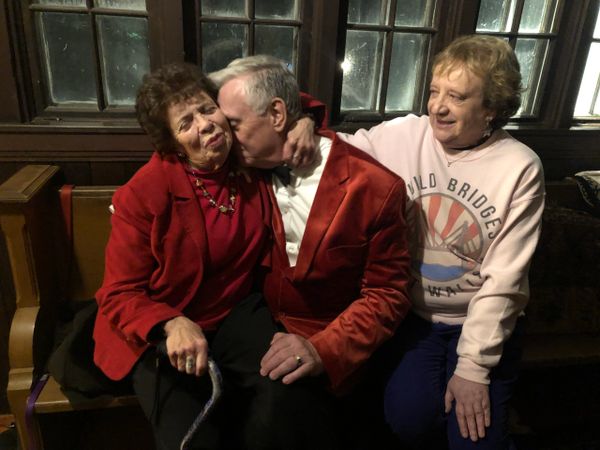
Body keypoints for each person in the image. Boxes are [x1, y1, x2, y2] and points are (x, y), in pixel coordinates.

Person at [293, 35, 546, 449]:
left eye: (457, 97)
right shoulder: (403, 135)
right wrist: (307, 121)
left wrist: (473, 369)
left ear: (492, 108)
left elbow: (505, 280)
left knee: (475, 440)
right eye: (434, 91)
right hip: (415, 319)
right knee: (409, 421)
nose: (438, 107)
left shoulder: (520, 167)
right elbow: (339, 152)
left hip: (483, 321)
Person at [93, 62, 340, 450]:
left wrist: (305, 121)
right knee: (193, 436)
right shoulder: (145, 193)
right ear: (173, 144)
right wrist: (171, 323)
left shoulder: (243, 159)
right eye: (186, 123)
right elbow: (118, 293)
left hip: (233, 313)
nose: (205, 125)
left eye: (208, 110)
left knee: (289, 394)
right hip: (164, 326)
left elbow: (282, 102)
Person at [209, 55, 412, 447]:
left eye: (233, 125)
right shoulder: (244, 168)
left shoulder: (374, 187)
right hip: (256, 334)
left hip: (332, 348)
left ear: (277, 115)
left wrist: (322, 351)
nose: (225, 138)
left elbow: (388, 294)